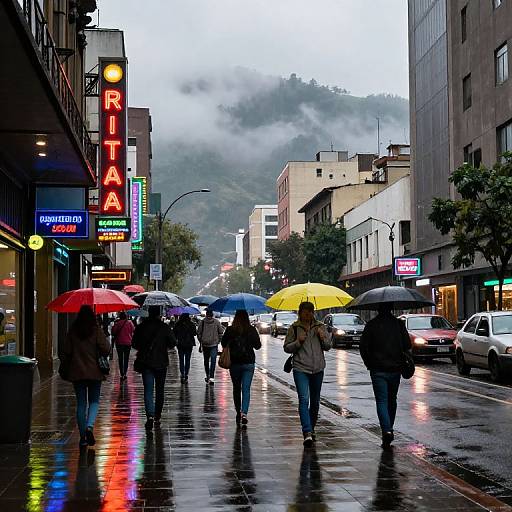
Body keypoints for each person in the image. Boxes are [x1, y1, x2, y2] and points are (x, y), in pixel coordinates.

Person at [359, 303, 412, 448]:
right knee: (391, 399)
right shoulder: (398, 324)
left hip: (377, 369)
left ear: (378, 309)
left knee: (381, 400)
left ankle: (386, 430)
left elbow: (363, 347)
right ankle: (389, 428)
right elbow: (407, 345)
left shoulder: (371, 325)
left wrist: (368, 363)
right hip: (395, 368)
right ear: (391, 309)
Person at [62, 305, 111, 448]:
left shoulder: (73, 331)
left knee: (81, 404)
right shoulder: (96, 331)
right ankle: (89, 426)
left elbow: (66, 351)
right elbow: (107, 349)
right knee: (94, 401)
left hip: (77, 373)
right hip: (95, 372)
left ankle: (83, 437)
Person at [284, 301, 331, 447]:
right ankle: (307, 432)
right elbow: (286, 347)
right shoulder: (294, 328)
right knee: (304, 399)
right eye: (305, 311)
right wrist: (298, 342)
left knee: (315, 402)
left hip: (318, 369)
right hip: (300, 368)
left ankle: (312, 427)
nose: (308, 314)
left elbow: (328, 346)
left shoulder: (320, 326)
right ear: (300, 312)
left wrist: (324, 337)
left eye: (311, 311)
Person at [132, 305, 177, 430]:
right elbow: (173, 342)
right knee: (160, 390)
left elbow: (134, 343)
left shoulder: (141, 327)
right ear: (159, 313)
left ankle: (150, 416)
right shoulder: (164, 327)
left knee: (148, 390)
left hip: (146, 363)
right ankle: (157, 415)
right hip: (161, 363)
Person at [221, 310, 261, 426]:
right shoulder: (251, 329)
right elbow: (258, 346)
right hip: (248, 362)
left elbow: (223, 344)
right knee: (246, 388)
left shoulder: (230, 330)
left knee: (236, 388)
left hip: (235, 363)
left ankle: (238, 411)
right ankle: (244, 413)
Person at [198, 309, 224, 384]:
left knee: (206, 361)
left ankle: (207, 375)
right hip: (214, 344)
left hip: (205, 344)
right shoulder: (216, 322)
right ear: (212, 315)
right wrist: (218, 340)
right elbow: (221, 332)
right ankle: (212, 377)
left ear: (206, 314)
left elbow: (199, 333)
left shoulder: (202, 322)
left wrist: (201, 340)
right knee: (213, 360)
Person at [173, 313, 197, 383]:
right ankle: (186, 374)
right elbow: (194, 333)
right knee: (187, 360)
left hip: (180, 344)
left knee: (181, 359)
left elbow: (174, 333)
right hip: (189, 344)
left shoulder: (177, 324)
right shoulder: (191, 324)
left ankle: (182, 374)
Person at [111, 311, 135, 380]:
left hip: (119, 343)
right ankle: (125, 373)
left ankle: (122, 373)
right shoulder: (130, 323)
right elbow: (133, 330)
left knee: (120, 358)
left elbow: (113, 332)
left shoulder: (117, 323)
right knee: (126, 358)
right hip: (128, 343)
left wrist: (115, 324)